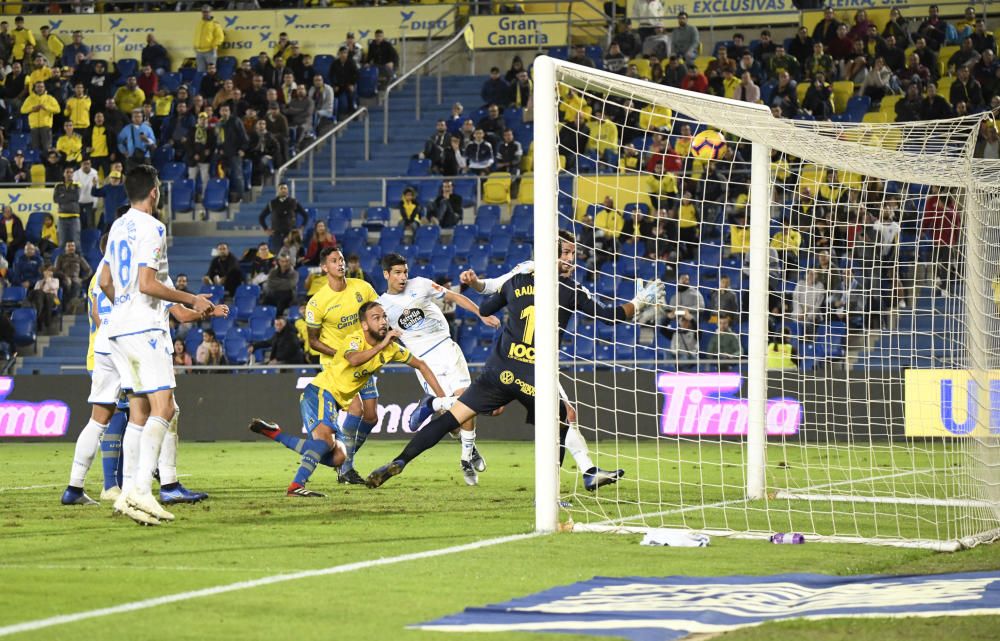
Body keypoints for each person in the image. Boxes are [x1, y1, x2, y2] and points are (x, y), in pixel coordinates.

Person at [452, 232, 663, 491]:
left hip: (537, 363)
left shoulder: (569, 287)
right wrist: (474, 283)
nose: (571, 259)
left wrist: (636, 304)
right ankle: (444, 408)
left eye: (574, 254)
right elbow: (492, 287)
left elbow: (609, 315)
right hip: (523, 362)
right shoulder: (526, 271)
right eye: (566, 253)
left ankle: (587, 471)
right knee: (554, 415)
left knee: (565, 413)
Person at [98, 164, 215, 525]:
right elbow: (147, 283)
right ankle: (141, 492)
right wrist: (191, 298)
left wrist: (125, 304)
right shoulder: (152, 227)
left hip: (117, 328)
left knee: (140, 411)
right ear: (154, 192)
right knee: (164, 408)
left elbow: (104, 279)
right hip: (143, 330)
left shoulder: (117, 226)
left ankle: (128, 495)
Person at [378, 253, 498, 484]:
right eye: (397, 273)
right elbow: (380, 336)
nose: (403, 277)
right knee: (450, 419)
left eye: (405, 272)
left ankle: (466, 456)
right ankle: (436, 409)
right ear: (386, 274)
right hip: (424, 362)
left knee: (466, 401)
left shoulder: (421, 284)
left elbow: (453, 296)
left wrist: (481, 315)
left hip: (446, 348)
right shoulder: (382, 306)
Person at [258, 183, 307, 253]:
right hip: (277, 235)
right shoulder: (272, 203)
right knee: (277, 257)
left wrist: (301, 227)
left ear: (288, 190)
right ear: (278, 190)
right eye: (281, 188)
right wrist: (265, 229)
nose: (283, 190)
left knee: (292, 257)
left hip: (291, 235)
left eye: (285, 188)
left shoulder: (293, 202)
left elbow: (305, 215)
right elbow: (261, 217)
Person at [21, 81, 60, 153]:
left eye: (41, 87)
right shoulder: (30, 98)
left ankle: (47, 164)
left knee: (47, 149)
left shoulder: (50, 98)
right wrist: (32, 109)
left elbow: (57, 109)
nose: (40, 88)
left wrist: (46, 107)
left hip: (46, 127)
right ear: (35, 88)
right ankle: (37, 164)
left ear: (44, 88)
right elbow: (23, 110)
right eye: (38, 87)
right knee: (35, 149)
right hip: (34, 127)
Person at [54, 240, 91, 309]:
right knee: (65, 286)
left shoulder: (79, 258)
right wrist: (65, 277)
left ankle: (72, 304)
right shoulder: (60, 257)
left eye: (72, 246)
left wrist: (82, 279)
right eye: (69, 246)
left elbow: (89, 270)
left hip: (76, 279)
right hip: (63, 279)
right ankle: (69, 306)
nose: (71, 248)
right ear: (65, 248)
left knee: (75, 285)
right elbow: (56, 271)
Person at [53, 167, 82, 250]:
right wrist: (68, 196)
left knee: (76, 242)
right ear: (64, 174)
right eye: (67, 172)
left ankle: (78, 261)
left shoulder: (77, 185)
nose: (69, 174)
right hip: (62, 218)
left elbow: (76, 197)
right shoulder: (58, 185)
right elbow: (55, 199)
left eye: (71, 172)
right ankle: (61, 262)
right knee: (62, 243)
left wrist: (63, 196)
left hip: (74, 217)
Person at [194, 4, 225, 73]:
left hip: (210, 51)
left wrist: (214, 46)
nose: (205, 13)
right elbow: (197, 35)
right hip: (199, 51)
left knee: (211, 71)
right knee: (200, 71)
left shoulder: (215, 24)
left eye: (207, 12)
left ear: (210, 12)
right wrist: (195, 45)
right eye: (203, 12)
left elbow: (220, 37)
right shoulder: (199, 23)